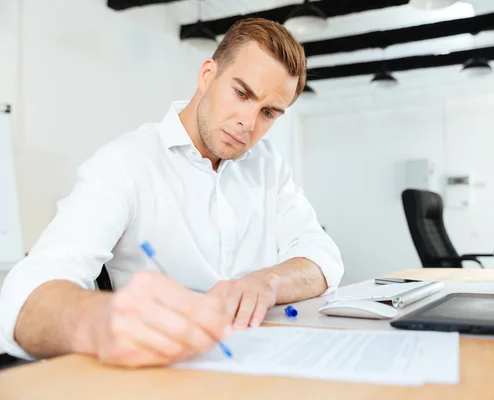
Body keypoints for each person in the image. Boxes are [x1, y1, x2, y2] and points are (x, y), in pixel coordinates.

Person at [0, 18, 344, 368]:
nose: (249, 122)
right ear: (207, 74)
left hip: (258, 362)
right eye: (241, 93)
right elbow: (25, 293)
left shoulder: (268, 164)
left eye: (268, 113)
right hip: (164, 373)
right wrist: (99, 320)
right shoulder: (126, 163)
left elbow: (323, 257)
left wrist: (266, 283)